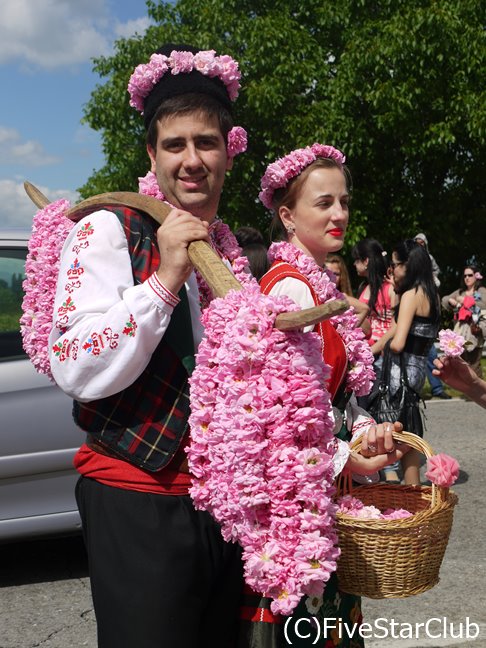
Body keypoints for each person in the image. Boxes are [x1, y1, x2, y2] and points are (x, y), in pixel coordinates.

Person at [47, 43, 249, 648]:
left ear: (228, 154)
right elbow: (74, 366)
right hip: (138, 502)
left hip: (223, 509)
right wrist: (162, 283)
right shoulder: (106, 229)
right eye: (175, 144)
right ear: (151, 156)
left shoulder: (234, 256)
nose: (192, 160)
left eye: (206, 143)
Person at [239, 143, 409, 648]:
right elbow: (279, 420)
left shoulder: (314, 284)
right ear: (287, 216)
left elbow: (333, 395)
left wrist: (363, 435)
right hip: (296, 494)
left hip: (321, 480)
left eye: (344, 201)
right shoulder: (288, 291)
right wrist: (344, 455)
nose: (340, 214)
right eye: (324, 203)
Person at [372, 240, 441, 485]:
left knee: (393, 431)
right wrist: (372, 349)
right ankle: (412, 490)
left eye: (395, 264)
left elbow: (398, 340)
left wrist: (380, 350)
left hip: (399, 371)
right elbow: (397, 327)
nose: (392, 270)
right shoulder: (431, 293)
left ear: (407, 265)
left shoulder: (411, 294)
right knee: (408, 433)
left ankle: (396, 488)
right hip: (417, 370)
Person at [413, 232, 451, 399]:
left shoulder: (429, 259)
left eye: (422, 242)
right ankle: (413, 390)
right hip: (412, 313)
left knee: (430, 352)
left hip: (426, 315)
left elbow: (436, 276)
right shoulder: (410, 260)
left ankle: (436, 388)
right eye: (417, 242)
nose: (420, 245)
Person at [442, 266, 486, 378]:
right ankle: (468, 392)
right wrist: (450, 301)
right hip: (460, 333)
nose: (467, 278)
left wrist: (466, 301)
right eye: (465, 275)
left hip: (474, 331)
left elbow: (483, 305)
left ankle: (480, 393)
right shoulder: (460, 292)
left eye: (470, 275)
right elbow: (444, 300)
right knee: (462, 365)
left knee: (474, 366)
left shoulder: (481, 291)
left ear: (476, 276)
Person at [325, 252, 371, 331]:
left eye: (336, 274)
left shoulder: (346, 298)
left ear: (342, 276)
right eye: (327, 273)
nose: (331, 277)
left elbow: (368, 330)